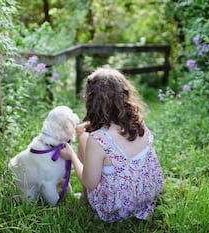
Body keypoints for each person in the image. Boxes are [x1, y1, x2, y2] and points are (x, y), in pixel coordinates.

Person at [60, 67, 165, 222]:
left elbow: (90, 183)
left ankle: (85, 199)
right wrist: (89, 125)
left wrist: (72, 156)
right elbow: (114, 131)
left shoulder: (97, 140)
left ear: (92, 100)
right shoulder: (137, 122)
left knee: (84, 138)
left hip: (118, 207)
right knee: (87, 136)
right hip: (148, 194)